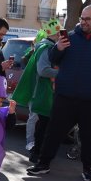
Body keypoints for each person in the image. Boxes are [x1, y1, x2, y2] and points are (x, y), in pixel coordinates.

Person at [27, 5, 91, 181]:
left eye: (88, 19)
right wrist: (58, 47)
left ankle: (89, 170)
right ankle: (43, 164)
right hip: (65, 96)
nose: (83, 22)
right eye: (82, 18)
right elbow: (53, 59)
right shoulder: (70, 38)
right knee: (54, 132)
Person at [12, 19, 62, 163]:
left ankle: (36, 150)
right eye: (60, 33)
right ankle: (34, 149)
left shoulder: (44, 46)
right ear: (57, 33)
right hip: (40, 93)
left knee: (40, 122)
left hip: (41, 92)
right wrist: (64, 73)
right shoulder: (46, 48)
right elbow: (43, 70)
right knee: (39, 122)